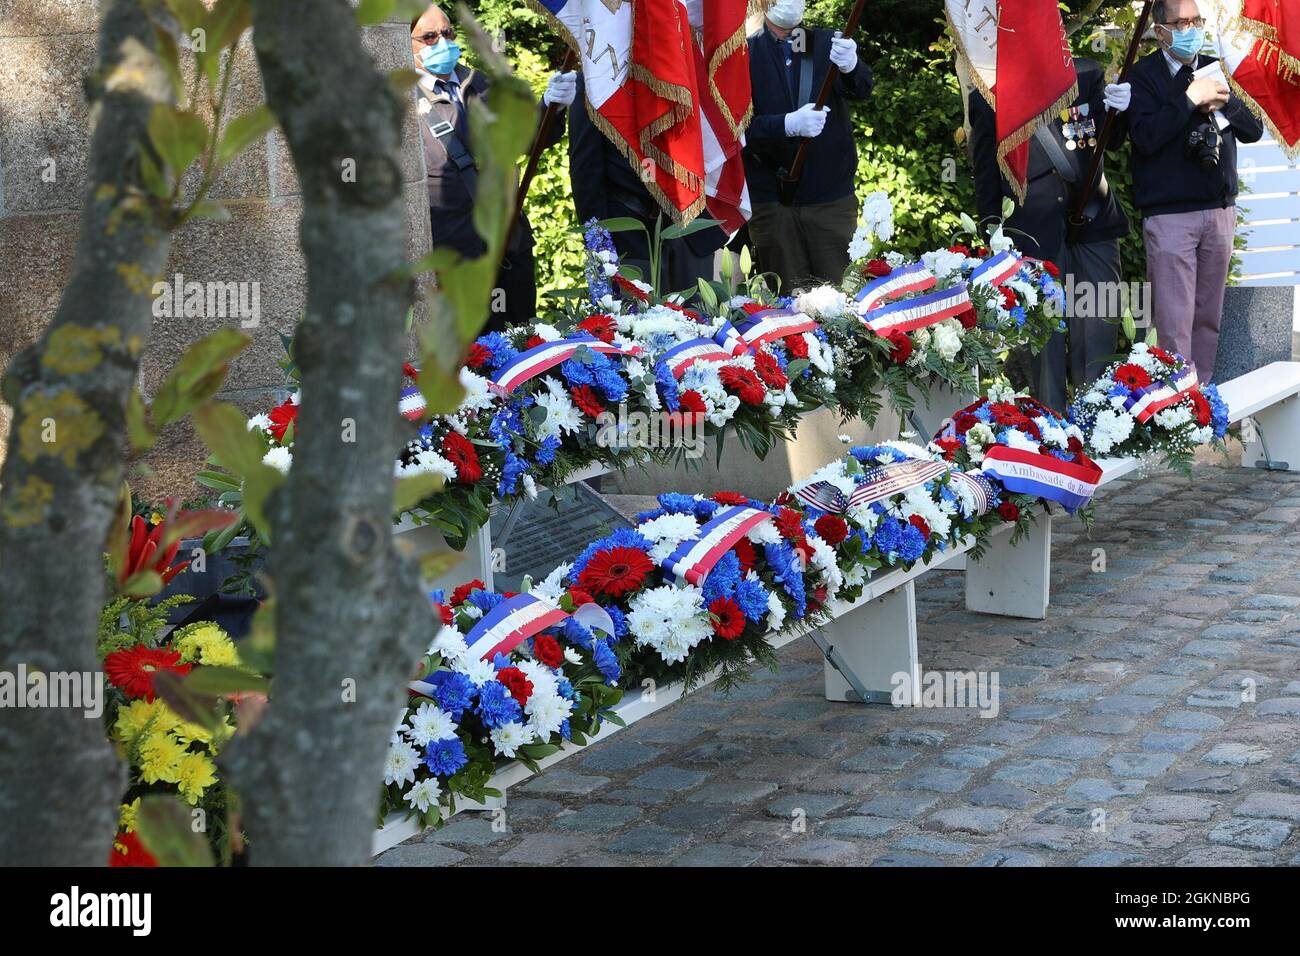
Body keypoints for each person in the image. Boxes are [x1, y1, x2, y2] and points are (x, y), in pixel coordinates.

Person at [969, 58, 1133, 412]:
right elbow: (985, 177)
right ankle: (1054, 439)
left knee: (1099, 332)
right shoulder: (988, 98)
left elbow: (1112, 138)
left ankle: (1100, 427)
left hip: (1094, 225)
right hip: (1033, 237)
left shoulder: (1085, 74)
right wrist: (995, 241)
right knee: (1044, 348)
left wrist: (1119, 110)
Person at [411, 4, 576, 332]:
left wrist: (549, 107)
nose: (441, 43)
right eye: (429, 37)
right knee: (471, 368)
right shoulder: (401, 102)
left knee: (519, 356)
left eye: (446, 33)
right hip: (455, 262)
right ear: (406, 44)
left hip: (508, 250)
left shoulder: (478, 82)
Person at [1127, 0, 1263, 380]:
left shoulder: (1212, 66)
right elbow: (1145, 137)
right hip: (1171, 215)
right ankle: (1177, 408)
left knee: (1208, 316)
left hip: (1219, 210)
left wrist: (1226, 101)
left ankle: (1202, 404)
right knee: (1173, 322)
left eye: (1197, 20)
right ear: (1161, 30)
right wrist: (1189, 99)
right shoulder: (1142, 77)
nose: (1192, 28)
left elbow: (1253, 130)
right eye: (1182, 22)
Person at [743, 0, 873, 294]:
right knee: (788, 306)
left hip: (830, 201)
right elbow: (735, 131)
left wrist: (852, 66)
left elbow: (863, 88)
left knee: (844, 302)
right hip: (772, 203)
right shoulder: (743, 54)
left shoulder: (827, 43)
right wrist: (785, 125)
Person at [567, 74, 726, 294]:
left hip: (691, 228)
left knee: (698, 321)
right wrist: (600, 243)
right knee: (639, 324)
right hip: (629, 235)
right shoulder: (596, 77)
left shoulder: (686, 62)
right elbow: (585, 169)